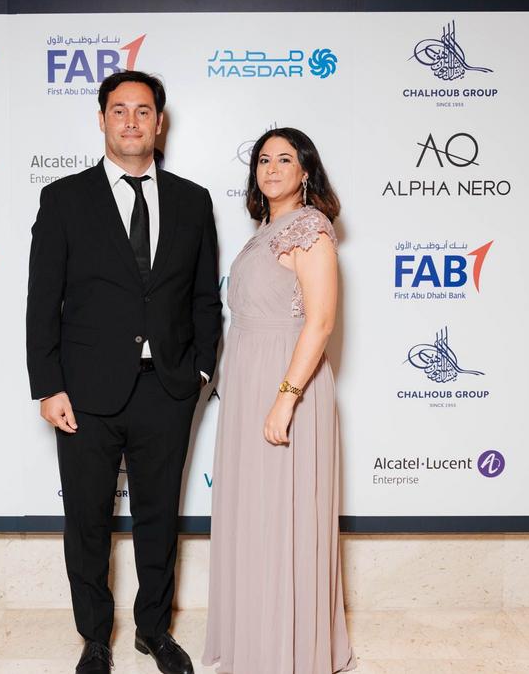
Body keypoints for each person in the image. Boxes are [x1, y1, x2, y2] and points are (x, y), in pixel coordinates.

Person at [26, 70, 222, 674]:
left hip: (167, 387)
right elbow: (43, 300)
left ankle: (154, 631)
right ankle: (94, 637)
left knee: (159, 518)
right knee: (87, 520)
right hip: (85, 392)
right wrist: (48, 386)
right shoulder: (64, 198)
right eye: (119, 110)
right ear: (102, 120)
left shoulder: (193, 200)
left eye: (143, 111)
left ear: (159, 123)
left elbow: (204, 298)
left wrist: (200, 372)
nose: (131, 121)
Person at [202, 128, 356, 674]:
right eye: (263, 160)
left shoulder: (311, 229)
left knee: (284, 515)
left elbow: (321, 323)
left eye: (284, 159)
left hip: (288, 384)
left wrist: (285, 399)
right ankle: (255, 641)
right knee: (255, 514)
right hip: (248, 381)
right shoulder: (265, 230)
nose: (271, 168)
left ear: (305, 171)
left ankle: (288, 651)